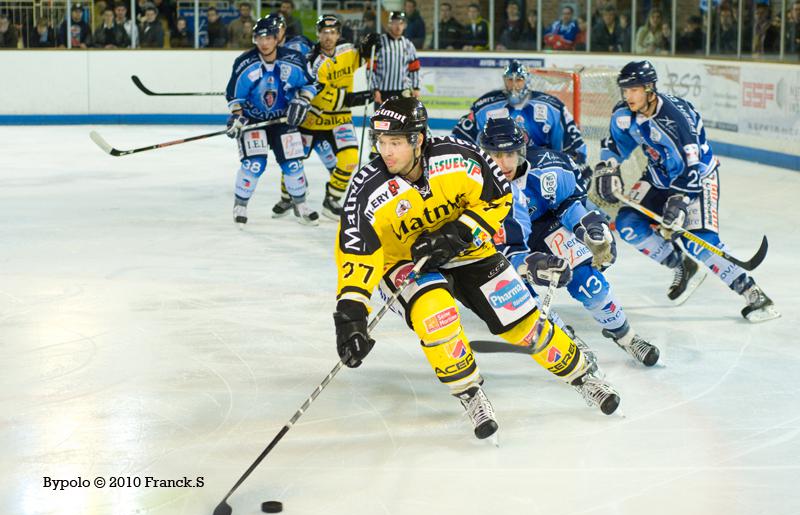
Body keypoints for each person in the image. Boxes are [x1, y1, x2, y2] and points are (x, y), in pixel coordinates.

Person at [333, 97, 622, 440]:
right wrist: (351, 312)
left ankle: (583, 376)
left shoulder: (459, 158)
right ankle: (470, 393)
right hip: (405, 262)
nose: (386, 152)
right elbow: (356, 251)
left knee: (523, 320)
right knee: (435, 316)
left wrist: (462, 229)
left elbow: (498, 197)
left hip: (470, 250)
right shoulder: (367, 188)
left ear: (418, 139)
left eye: (395, 142)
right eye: (381, 142)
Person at [594, 61, 780, 323]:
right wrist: (607, 167)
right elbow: (614, 143)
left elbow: (692, 169)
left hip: (696, 179)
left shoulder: (675, 122)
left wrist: (678, 206)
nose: (627, 96)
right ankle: (681, 264)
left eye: (633, 90)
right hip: (659, 175)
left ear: (649, 89)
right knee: (627, 223)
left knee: (698, 240)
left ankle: (752, 292)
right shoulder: (624, 114)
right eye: (625, 90)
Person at [482, 117, 660, 366]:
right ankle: (568, 344)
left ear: (521, 150)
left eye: (510, 153)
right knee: (526, 304)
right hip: (503, 246)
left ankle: (626, 336)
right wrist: (524, 263)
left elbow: (568, 203)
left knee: (589, 282)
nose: (504, 163)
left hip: (544, 227)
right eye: (495, 155)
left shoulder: (549, 168)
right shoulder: (473, 183)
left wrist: (589, 225)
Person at [271, 15, 380, 220]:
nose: (328, 37)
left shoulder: (347, 50)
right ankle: (288, 197)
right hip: (312, 120)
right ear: (318, 34)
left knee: (349, 159)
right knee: (293, 160)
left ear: (338, 34)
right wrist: (357, 98)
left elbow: (363, 56)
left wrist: (369, 47)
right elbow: (323, 99)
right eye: (324, 32)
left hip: (339, 120)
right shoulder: (312, 61)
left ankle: (332, 200)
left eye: (332, 32)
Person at [224, 16, 319, 226]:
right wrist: (237, 116)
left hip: (283, 120)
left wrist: (303, 100)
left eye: (268, 38)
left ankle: (301, 204)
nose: (264, 42)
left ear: (277, 38)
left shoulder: (294, 59)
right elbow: (234, 96)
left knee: (293, 164)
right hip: (253, 120)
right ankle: (240, 205)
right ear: (254, 39)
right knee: (254, 164)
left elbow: (311, 85)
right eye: (259, 37)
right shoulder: (244, 62)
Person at [452, 60, 589, 185]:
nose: (514, 85)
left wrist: (576, 162)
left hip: (542, 171)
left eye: (519, 80)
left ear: (527, 80)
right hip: (498, 170)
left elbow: (571, 143)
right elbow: (461, 137)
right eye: (509, 80)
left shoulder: (552, 106)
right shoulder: (484, 106)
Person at [371, 11, 421, 105]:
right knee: (383, 120)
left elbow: (414, 68)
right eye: (395, 23)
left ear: (405, 25)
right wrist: (375, 89)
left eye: (401, 23)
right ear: (389, 24)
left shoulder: (408, 45)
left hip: (403, 93)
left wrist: (416, 88)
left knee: (402, 119)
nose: (398, 27)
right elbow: (370, 69)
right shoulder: (379, 43)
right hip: (382, 92)